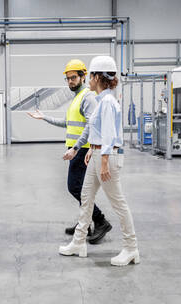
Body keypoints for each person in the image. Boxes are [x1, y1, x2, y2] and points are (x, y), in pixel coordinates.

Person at [58, 56, 140, 266]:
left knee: (118, 203)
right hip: (96, 155)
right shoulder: (101, 100)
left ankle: (131, 249)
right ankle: (78, 242)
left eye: (91, 76)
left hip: (107, 158)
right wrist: (89, 150)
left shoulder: (108, 103)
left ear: (96, 77)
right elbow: (96, 131)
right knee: (86, 197)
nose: (89, 80)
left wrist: (102, 160)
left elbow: (109, 135)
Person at [27, 59, 112, 244]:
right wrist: (44, 117)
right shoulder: (76, 98)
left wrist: (76, 147)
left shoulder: (87, 96)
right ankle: (85, 222)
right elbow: (67, 123)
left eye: (73, 77)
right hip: (76, 149)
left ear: (83, 77)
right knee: (81, 189)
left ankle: (99, 220)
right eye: (67, 79)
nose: (70, 82)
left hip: (82, 150)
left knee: (76, 188)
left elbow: (91, 124)